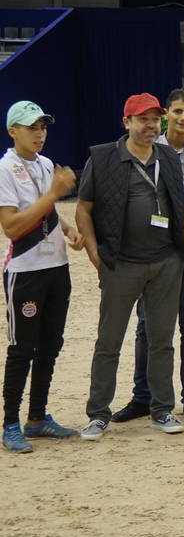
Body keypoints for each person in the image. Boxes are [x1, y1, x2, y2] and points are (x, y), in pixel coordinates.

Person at [76, 93, 184, 440]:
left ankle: (162, 410)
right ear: (126, 122)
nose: (151, 126)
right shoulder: (104, 157)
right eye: (143, 119)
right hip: (121, 264)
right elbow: (83, 209)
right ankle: (98, 413)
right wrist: (96, 256)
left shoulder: (168, 157)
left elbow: (179, 206)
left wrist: (179, 250)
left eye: (155, 120)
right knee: (109, 341)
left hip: (165, 263)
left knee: (162, 341)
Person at [111, 89, 184, 425]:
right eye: (176, 112)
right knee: (147, 326)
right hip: (153, 246)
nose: (183, 118)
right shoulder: (146, 149)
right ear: (165, 116)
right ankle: (142, 397)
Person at [0, 101, 83, 453]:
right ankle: (10, 424)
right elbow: (11, 226)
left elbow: (45, 210)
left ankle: (37, 418)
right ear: (12, 131)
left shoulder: (46, 163)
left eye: (43, 127)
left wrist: (67, 228)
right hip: (26, 270)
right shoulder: (5, 168)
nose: (39, 133)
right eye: (31, 127)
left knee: (51, 344)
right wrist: (53, 193)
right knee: (23, 349)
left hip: (56, 268)